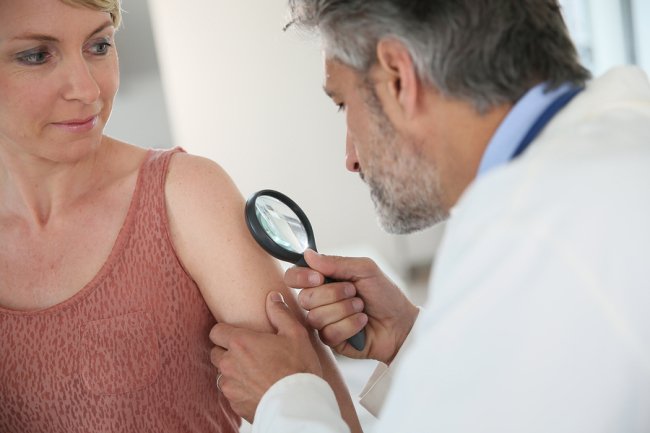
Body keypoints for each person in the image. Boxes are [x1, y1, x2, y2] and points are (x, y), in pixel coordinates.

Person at [209, 0, 650, 432]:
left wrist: (285, 399)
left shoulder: (528, 237)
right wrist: (409, 340)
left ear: (399, 78)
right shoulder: (618, 143)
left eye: (344, 104)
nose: (350, 158)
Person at [0, 1, 362, 432]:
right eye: (37, 56)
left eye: (99, 45)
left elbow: (327, 414)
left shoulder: (186, 196)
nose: (87, 89)